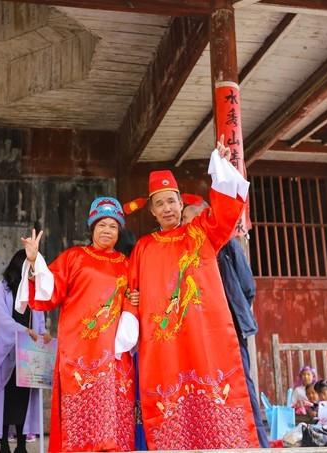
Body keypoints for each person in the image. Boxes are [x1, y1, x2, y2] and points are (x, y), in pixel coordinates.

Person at [117, 139, 260, 450]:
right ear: (152, 211)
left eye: (171, 201)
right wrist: (132, 307)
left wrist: (220, 168)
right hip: (164, 339)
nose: (167, 208)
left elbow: (224, 214)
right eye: (160, 204)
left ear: (181, 203)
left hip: (203, 333)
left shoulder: (201, 233)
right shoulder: (143, 247)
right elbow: (132, 288)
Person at [18, 197, 136, 452]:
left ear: (120, 231)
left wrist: (135, 299)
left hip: (114, 355)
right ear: (91, 228)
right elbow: (50, 291)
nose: (107, 230)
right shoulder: (74, 257)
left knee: (113, 420)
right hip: (79, 351)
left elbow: (136, 301)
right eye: (101, 225)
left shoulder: (127, 265)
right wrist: (33, 262)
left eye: (113, 226)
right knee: (80, 425)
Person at [182, 201, 269, 448]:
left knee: (240, 383)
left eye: (196, 217)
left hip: (229, 328)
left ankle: (255, 443)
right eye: (187, 220)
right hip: (200, 333)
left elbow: (247, 287)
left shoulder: (226, 244)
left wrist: (231, 314)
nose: (192, 223)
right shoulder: (185, 251)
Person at [0, 249, 49, 453]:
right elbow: (0, 319)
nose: (34, 273)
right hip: (8, 353)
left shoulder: (34, 290)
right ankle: (5, 443)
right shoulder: (1, 289)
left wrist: (43, 335)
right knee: (7, 399)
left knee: (25, 399)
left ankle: (22, 444)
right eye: (31, 268)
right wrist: (24, 331)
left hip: (28, 354)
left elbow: (40, 320)